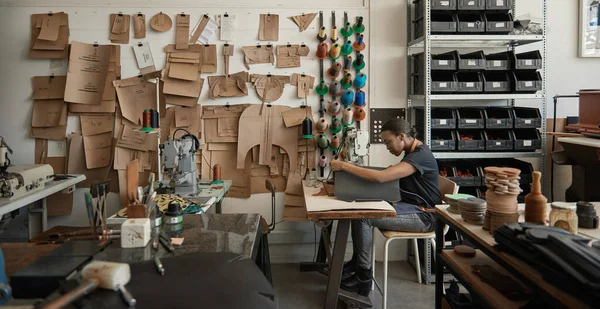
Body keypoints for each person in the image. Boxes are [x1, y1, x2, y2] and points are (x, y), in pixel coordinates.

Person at [330, 118, 442, 296]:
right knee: (360, 209)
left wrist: (344, 166)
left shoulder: (420, 156)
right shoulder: (413, 153)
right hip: (413, 208)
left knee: (363, 216)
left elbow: (381, 178)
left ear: (401, 137)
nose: (387, 146)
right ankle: (356, 263)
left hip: (425, 218)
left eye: (388, 142)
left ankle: (363, 277)